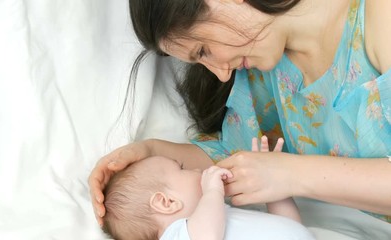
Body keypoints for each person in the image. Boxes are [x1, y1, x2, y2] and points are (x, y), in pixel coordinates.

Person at [90, 0, 391, 227]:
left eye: (203, 50)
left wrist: (291, 174)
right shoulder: (266, 70)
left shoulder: (381, 17)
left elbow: (272, 171)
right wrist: (148, 154)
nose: (222, 75)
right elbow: (232, 161)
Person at [103, 137, 315, 240]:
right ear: (166, 203)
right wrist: (213, 191)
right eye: (182, 169)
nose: (196, 169)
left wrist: (273, 189)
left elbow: (288, 224)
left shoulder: (223, 213)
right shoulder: (176, 234)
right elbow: (207, 236)